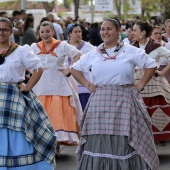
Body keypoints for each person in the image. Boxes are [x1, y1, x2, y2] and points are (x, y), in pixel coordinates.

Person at [71, 17, 159, 170]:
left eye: (109, 28)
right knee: (99, 141)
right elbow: (74, 68)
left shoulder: (130, 50)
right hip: (99, 103)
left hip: (124, 102)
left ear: (119, 31)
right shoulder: (94, 53)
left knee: (124, 141)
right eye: (103, 29)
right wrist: (87, 84)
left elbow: (151, 65)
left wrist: (141, 84)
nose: (105, 32)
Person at [0, 17, 56, 170]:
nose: (1, 33)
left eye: (5, 29)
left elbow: (38, 68)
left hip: (13, 97)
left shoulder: (20, 50)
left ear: (11, 32)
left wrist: (27, 87)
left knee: (17, 131)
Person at [31, 21, 83, 156]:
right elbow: (26, 60)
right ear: (39, 33)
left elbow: (78, 55)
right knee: (43, 115)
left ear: (53, 32)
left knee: (58, 114)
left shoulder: (62, 45)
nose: (45, 34)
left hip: (59, 85)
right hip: (40, 85)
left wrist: (69, 69)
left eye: (47, 31)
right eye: (42, 32)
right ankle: (46, 146)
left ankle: (56, 146)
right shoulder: (34, 47)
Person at [132, 20, 170, 142]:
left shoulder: (156, 47)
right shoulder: (131, 48)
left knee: (158, 111)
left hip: (154, 83)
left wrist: (162, 72)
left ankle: (160, 138)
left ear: (143, 32)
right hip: (137, 82)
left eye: (135, 30)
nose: (133, 33)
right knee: (137, 112)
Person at [66, 23, 95, 111]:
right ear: (70, 34)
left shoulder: (87, 46)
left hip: (83, 82)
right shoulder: (64, 46)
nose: (78, 34)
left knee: (83, 109)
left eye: (80, 31)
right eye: (75, 32)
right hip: (68, 81)